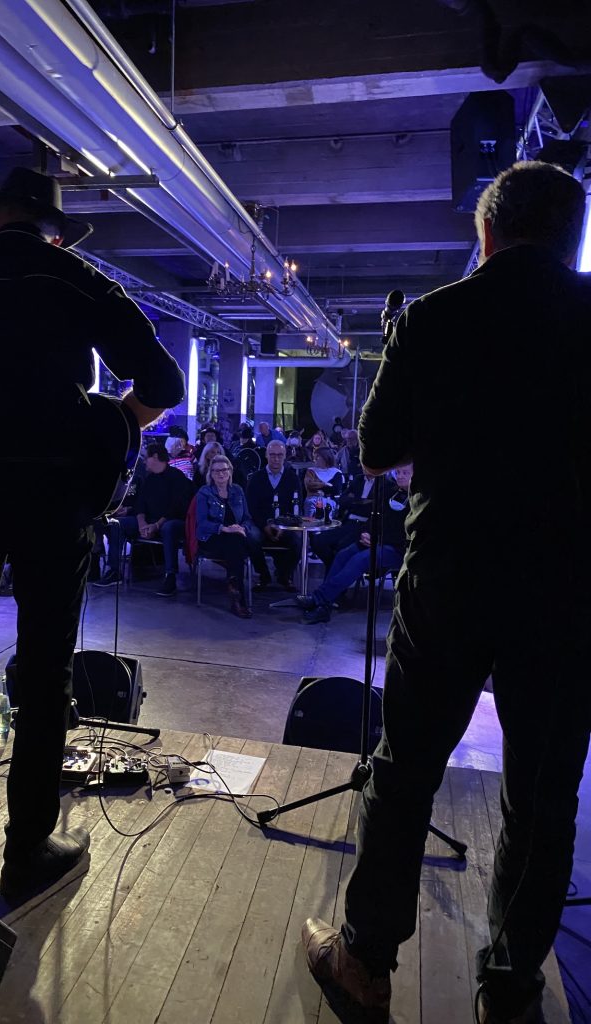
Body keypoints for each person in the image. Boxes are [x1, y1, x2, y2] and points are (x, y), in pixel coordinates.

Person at [300, 161, 591, 1024]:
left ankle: (364, 963)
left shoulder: (435, 317)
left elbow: (374, 449)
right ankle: (510, 988)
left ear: (487, 233)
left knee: (405, 772)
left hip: (450, 577)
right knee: (543, 797)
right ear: (573, 236)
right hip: (568, 590)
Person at [0, 167, 185, 895]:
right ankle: (27, 849)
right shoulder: (77, 277)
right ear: (55, 232)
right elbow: (164, 383)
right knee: (47, 669)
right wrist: (113, 422)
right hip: (53, 494)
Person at [297, 464, 410, 622]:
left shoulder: (416, 500)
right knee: (344, 554)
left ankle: (319, 598)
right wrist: (367, 533)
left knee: (361, 559)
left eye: (405, 473)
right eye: (398, 472)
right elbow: (376, 518)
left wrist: (377, 539)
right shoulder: (393, 492)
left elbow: (406, 533)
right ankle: (324, 606)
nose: (400, 476)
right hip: (378, 540)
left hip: (398, 548)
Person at [99, 441, 192, 595]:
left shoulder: (177, 477)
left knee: (168, 528)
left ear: (155, 457)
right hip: (149, 522)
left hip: (170, 521)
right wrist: (142, 524)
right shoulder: (149, 479)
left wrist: (156, 525)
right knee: (117, 524)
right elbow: (140, 504)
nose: (143, 461)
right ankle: (114, 570)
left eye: (146, 457)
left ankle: (170, 576)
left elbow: (177, 508)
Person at [195, 454, 268, 617]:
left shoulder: (237, 490)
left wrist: (242, 528)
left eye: (224, 470)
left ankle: (236, 590)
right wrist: (224, 528)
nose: (221, 474)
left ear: (230, 471)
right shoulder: (205, 492)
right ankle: (238, 595)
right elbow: (202, 523)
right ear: (211, 474)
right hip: (212, 537)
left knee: (236, 540)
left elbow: (247, 518)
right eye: (216, 471)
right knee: (235, 542)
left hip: (235, 537)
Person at [245, 439, 301, 590]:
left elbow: (296, 506)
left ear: (285, 456)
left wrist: (283, 526)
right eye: (272, 455)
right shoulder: (256, 478)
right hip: (260, 523)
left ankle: (284, 576)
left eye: (280, 455)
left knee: (299, 540)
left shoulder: (293, 478)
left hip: (285, 524)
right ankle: (263, 576)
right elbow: (251, 508)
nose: (276, 458)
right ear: (266, 455)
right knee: (251, 537)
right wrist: (265, 525)